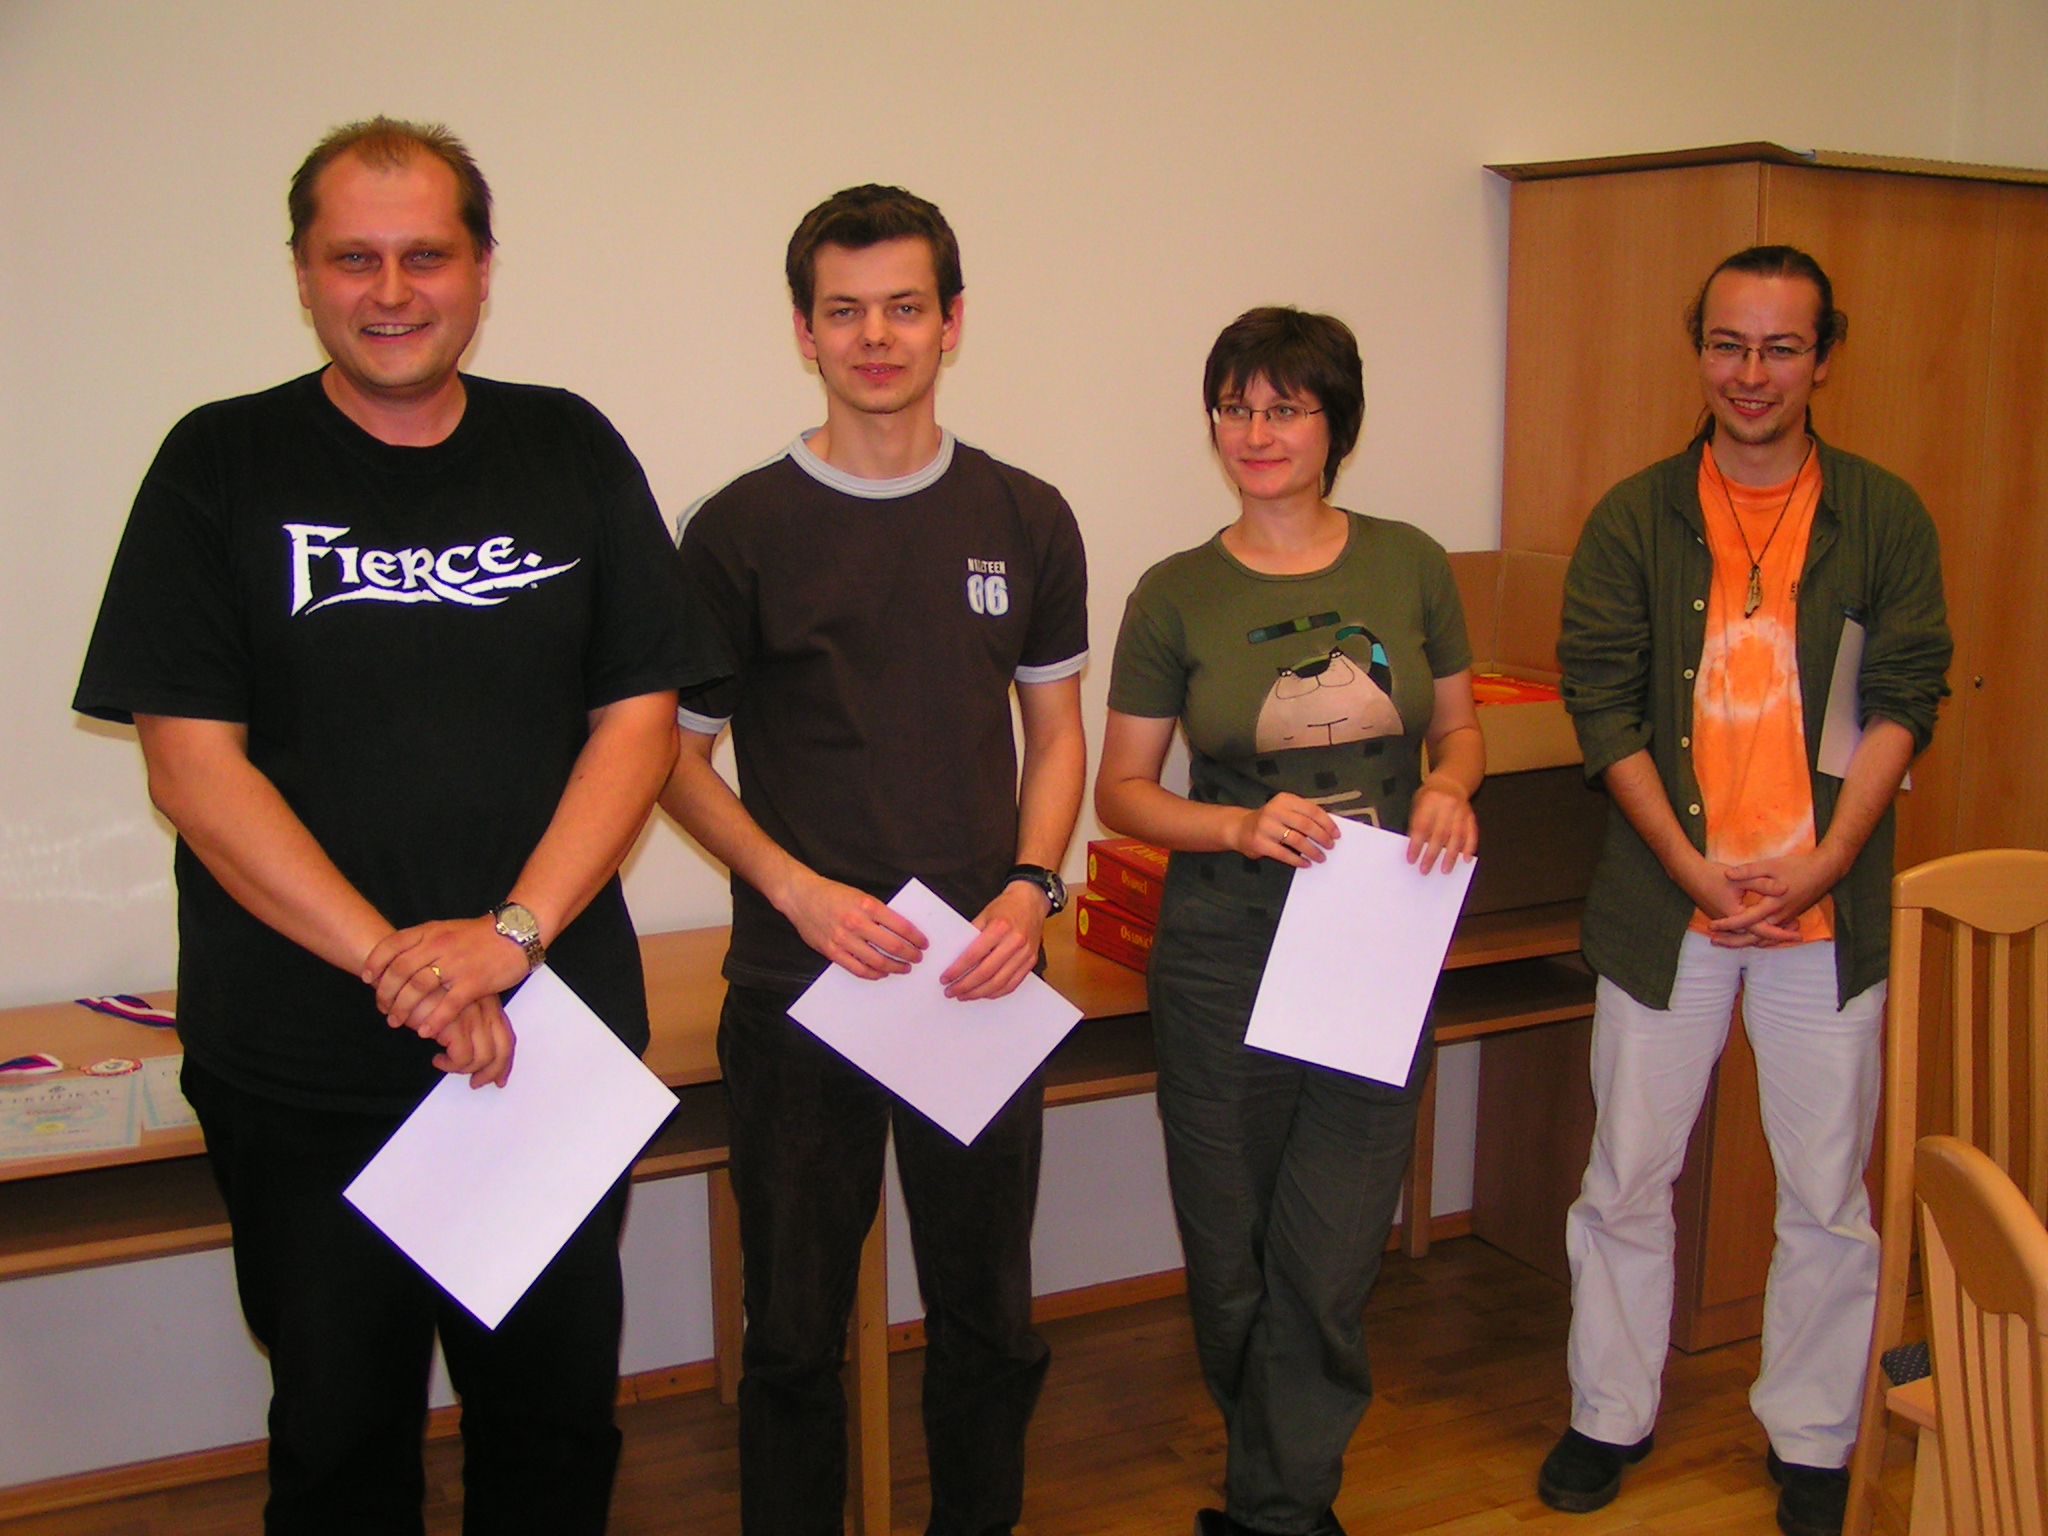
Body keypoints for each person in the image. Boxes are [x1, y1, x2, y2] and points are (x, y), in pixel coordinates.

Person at [72, 117, 720, 1534]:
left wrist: (508, 940)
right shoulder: (218, 463)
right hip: (302, 1062)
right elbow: (192, 766)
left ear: (481, 269)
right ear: (303, 274)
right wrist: (407, 965)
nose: (390, 290)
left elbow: (639, 720)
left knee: (551, 1434)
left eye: (425, 255)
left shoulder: (566, 444)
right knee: (338, 1444)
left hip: (545, 1046)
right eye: (352, 258)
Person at [659, 184, 1089, 1535]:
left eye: (905, 307)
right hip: (803, 984)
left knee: (987, 1319)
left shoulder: (1026, 514)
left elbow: (1056, 734)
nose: (876, 337)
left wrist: (1030, 886)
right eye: (844, 312)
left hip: (977, 977)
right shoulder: (737, 529)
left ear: (951, 322)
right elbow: (669, 757)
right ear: (805, 331)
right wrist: (796, 891)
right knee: (792, 1335)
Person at [1538, 246, 1951, 1536]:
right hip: (1667, 906)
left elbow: (1906, 694)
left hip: (1826, 914)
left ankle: (1813, 1436)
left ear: (1823, 357)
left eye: (1779, 347)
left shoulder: (1881, 516)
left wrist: (1823, 862)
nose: (1750, 372)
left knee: (1825, 1192)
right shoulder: (1634, 516)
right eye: (1727, 344)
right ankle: (1608, 1413)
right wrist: (1687, 866)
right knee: (1624, 1174)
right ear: (1698, 350)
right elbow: (1600, 703)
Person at [1095, 306, 1484, 1536]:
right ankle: (1274, 1488)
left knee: (1324, 1263)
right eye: (1235, 407)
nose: (1255, 432)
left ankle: (1276, 1508)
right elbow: (1121, 792)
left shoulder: (1408, 563)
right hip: (1223, 958)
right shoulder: (1173, 594)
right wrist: (1232, 824)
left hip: (1374, 949)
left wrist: (1447, 787)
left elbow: (1460, 729)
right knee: (1230, 1264)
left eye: (1284, 408)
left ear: (1335, 425)